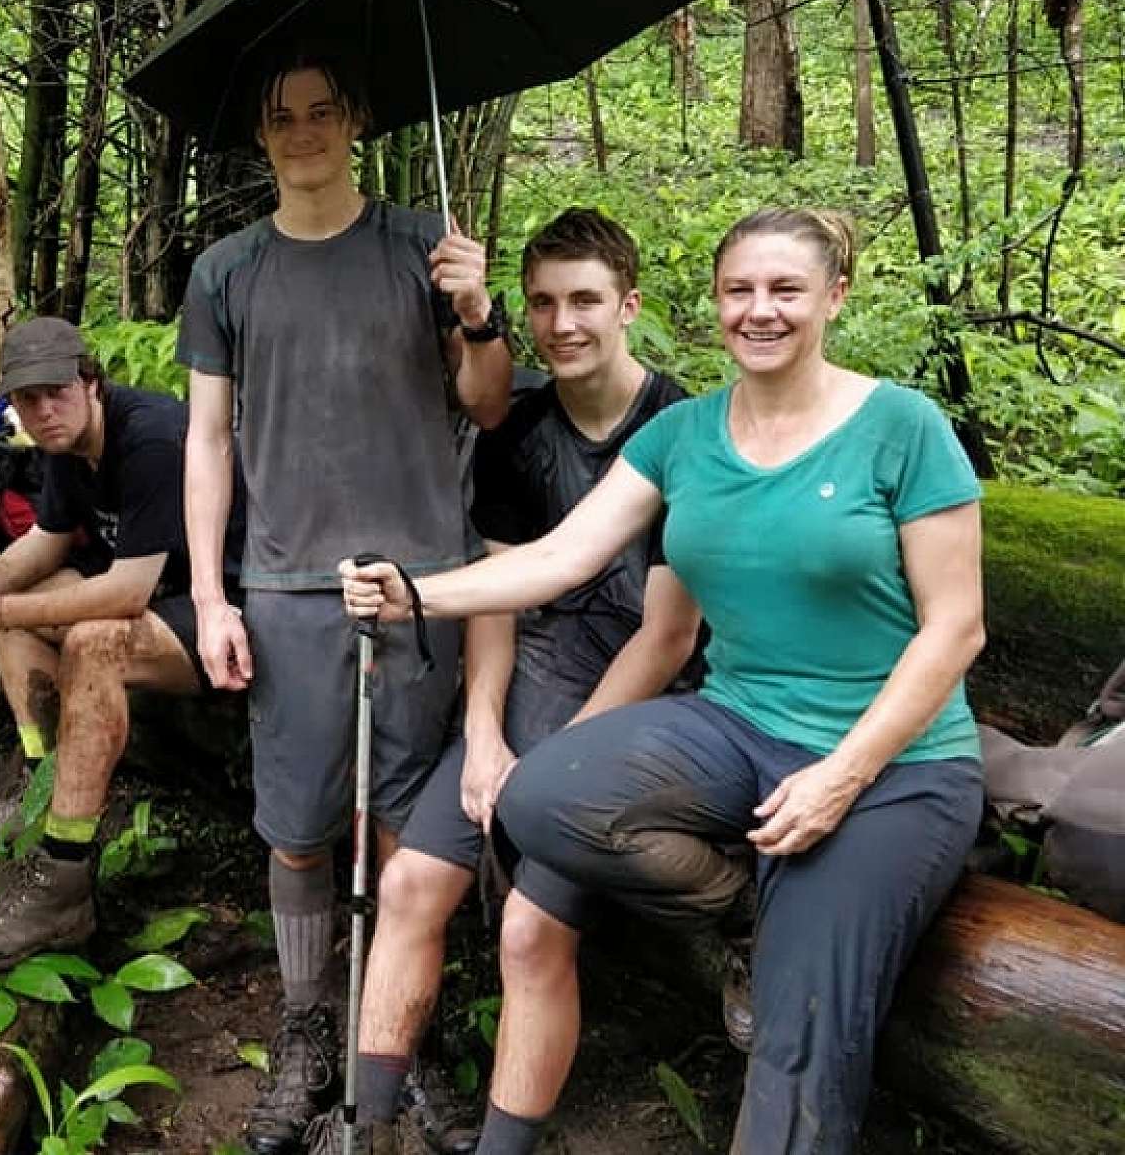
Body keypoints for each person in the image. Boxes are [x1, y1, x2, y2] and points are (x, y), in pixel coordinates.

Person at [344, 207, 986, 1155]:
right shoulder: (686, 433)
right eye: (739, 290)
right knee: (542, 795)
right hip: (738, 724)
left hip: (896, 764)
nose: (759, 310)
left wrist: (840, 777)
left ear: (835, 297)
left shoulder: (902, 427)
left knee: (799, 1034)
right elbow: (560, 556)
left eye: (786, 290)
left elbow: (957, 627)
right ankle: (745, 905)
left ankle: (790, 960)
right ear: (715, 301)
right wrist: (415, 592)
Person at [178, 46, 512, 1155]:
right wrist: (212, 595)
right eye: (282, 116)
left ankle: (401, 1041)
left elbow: (489, 403)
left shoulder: (424, 247)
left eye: (322, 110)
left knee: (412, 827)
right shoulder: (226, 271)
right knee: (297, 825)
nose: (304, 131)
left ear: (356, 119)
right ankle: (306, 1027)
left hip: (422, 580)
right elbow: (206, 439)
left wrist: (476, 310)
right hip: (286, 583)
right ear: (261, 134)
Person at [338, 208, 702, 1142]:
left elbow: (667, 639)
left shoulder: (687, 431)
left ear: (629, 306)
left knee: (531, 932)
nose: (562, 324)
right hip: (534, 676)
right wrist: (484, 734)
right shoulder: (517, 431)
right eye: (542, 303)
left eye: (584, 301)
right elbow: (500, 598)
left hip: (640, 705)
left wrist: (552, 770)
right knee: (409, 886)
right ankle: (367, 1124)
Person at [0, 316, 245, 971]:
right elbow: (50, 538)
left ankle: (63, 880)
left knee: (94, 642)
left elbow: (129, 589)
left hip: (223, 612)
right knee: (11, 612)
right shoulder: (63, 445)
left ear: (90, 382)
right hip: (153, 602)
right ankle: (41, 789)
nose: (43, 411)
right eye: (27, 399)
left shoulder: (151, 436)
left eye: (56, 392)